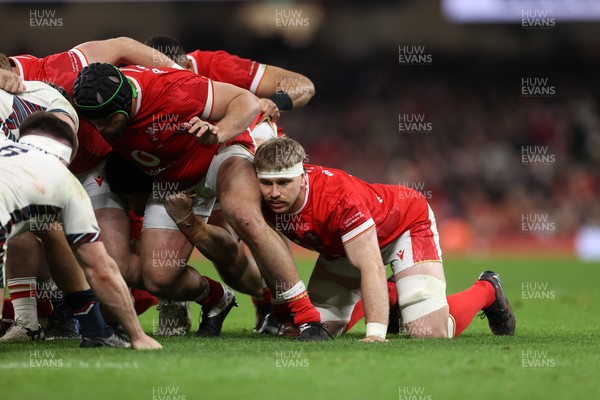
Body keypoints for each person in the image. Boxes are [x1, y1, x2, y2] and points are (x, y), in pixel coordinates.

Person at [73, 63, 328, 340]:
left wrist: (218, 132)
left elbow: (247, 101)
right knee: (159, 277)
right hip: (171, 179)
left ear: (126, 103)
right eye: (94, 121)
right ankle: (221, 298)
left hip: (218, 153)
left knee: (244, 217)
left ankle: (306, 318)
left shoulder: (172, 88)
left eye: (106, 120)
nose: (100, 128)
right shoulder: (95, 104)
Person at [251, 137, 516, 340]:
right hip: (344, 247)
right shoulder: (255, 199)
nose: (274, 192)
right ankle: (392, 295)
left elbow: (371, 265)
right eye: (267, 183)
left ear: (302, 177)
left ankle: (487, 290)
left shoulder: (337, 199)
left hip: (404, 225)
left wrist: (376, 333)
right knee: (313, 329)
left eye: (283, 182)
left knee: (429, 331)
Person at [0, 110, 161, 349]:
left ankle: (94, 328)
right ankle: (101, 331)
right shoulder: (65, 182)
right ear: (70, 154)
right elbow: (101, 269)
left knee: (50, 230)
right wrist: (137, 335)